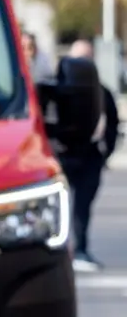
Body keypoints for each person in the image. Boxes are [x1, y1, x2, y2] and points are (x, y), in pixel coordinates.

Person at [64, 39, 117, 272]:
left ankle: (80, 250)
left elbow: (112, 123)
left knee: (82, 207)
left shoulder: (101, 92)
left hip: (90, 157)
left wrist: (105, 154)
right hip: (62, 156)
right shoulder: (59, 90)